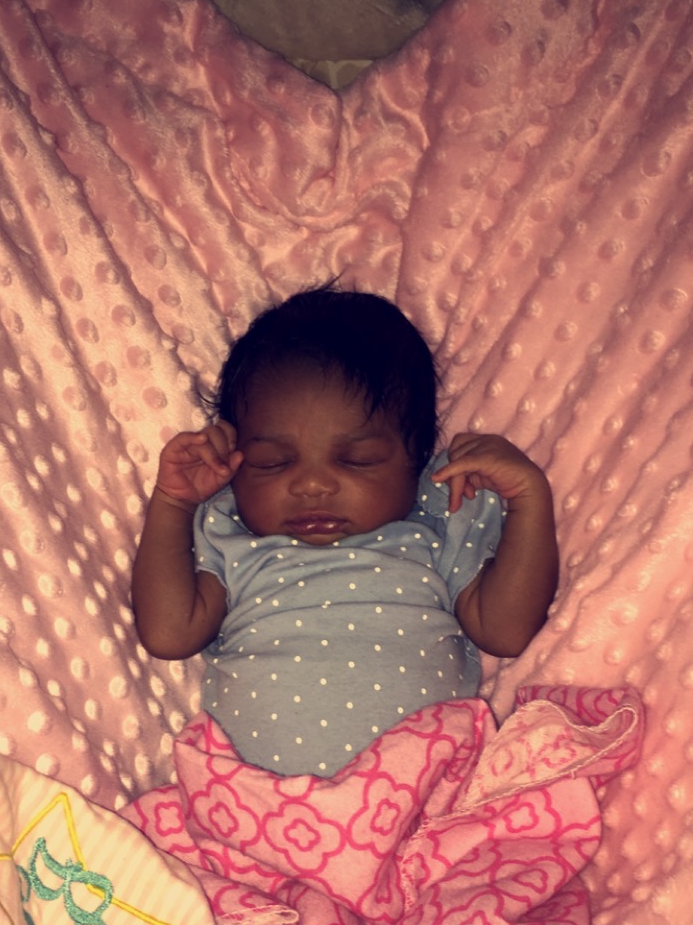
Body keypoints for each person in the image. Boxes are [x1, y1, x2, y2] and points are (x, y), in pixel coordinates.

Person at [132, 286, 558, 777]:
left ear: (417, 462)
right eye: (272, 463)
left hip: (427, 798)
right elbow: (168, 634)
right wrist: (173, 503)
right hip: (257, 804)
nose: (312, 485)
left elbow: (506, 631)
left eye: (358, 460)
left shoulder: (435, 524)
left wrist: (528, 499)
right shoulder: (234, 537)